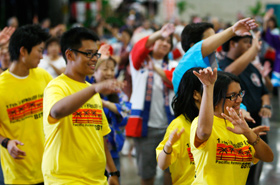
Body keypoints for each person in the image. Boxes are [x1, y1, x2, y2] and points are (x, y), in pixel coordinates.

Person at [42, 27, 123, 185]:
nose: (94, 59)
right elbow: (57, 111)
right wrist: (94, 89)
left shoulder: (91, 91)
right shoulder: (56, 87)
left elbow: (100, 136)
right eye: (88, 53)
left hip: (97, 179)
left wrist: (112, 172)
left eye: (96, 54)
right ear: (70, 54)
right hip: (65, 179)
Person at [190, 67, 273, 185]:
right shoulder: (201, 124)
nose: (239, 100)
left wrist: (249, 133)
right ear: (216, 98)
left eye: (240, 94)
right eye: (233, 95)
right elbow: (204, 132)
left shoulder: (241, 127)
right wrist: (208, 87)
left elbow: (269, 157)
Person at [0, 24, 52, 184]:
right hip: (18, 176)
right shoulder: (1, 87)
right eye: (39, 51)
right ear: (23, 51)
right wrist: (6, 143)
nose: (42, 56)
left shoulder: (43, 76)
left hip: (49, 170)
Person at [126, 23, 176, 185]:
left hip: (171, 127)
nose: (164, 43)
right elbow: (139, 49)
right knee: (147, 173)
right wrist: (159, 33)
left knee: (173, 171)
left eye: (168, 42)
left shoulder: (174, 65)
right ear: (152, 43)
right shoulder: (138, 63)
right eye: (161, 40)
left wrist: (154, 68)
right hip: (145, 127)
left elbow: (173, 81)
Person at [219, 32, 271, 185]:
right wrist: (254, 50)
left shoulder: (252, 68)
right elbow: (229, 73)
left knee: (254, 175)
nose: (250, 45)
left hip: (257, 126)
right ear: (233, 43)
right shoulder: (222, 65)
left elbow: (264, 92)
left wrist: (266, 105)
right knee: (237, 174)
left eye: (251, 42)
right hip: (236, 130)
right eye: (246, 42)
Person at [156, 68, 203, 185]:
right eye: (210, 89)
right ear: (196, 95)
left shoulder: (218, 121)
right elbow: (162, 165)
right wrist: (168, 146)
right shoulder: (178, 125)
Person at [93, 56, 131, 174]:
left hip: (112, 152)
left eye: (112, 69)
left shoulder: (118, 92)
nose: (109, 73)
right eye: (105, 69)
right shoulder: (87, 91)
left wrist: (105, 103)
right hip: (91, 151)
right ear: (93, 72)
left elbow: (126, 112)